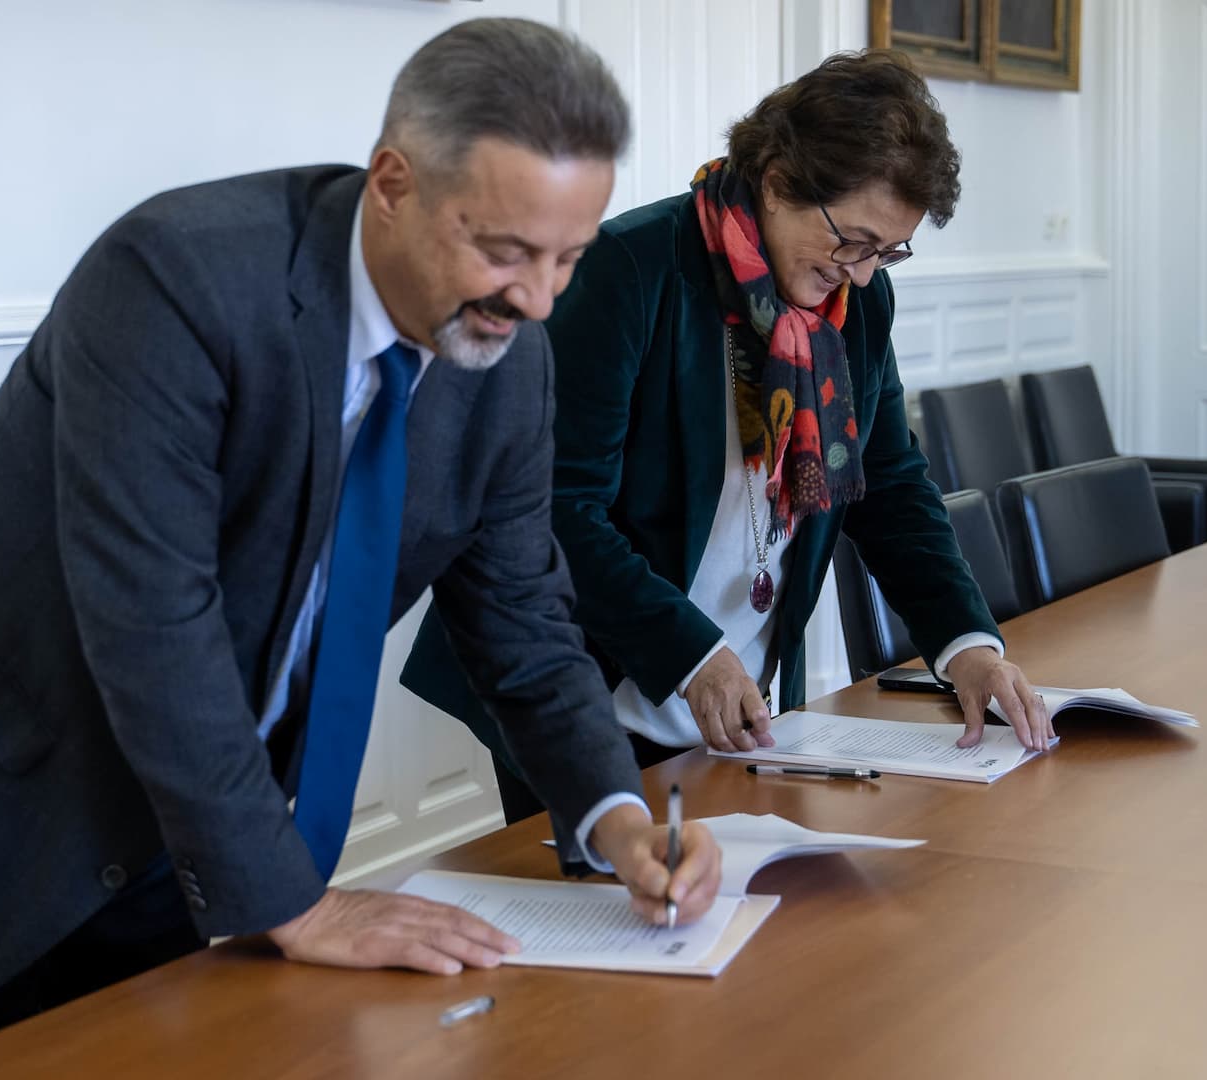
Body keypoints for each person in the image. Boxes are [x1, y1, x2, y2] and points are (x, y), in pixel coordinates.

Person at [0, 19, 720, 1077]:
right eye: (504, 251)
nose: (537, 299)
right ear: (392, 183)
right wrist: (296, 901)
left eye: (569, 259)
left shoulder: (511, 359)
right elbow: (151, 621)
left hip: (183, 816)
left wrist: (617, 816)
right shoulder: (176, 278)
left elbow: (527, 624)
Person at [403, 50, 1054, 823]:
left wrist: (966, 643)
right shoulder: (630, 271)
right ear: (778, 180)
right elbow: (556, 508)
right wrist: (692, 653)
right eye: (854, 239)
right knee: (602, 918)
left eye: (890, 251)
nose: (865, 273)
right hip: (580, 678)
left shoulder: (856, 308)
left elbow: (891, 481)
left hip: (735, 692)